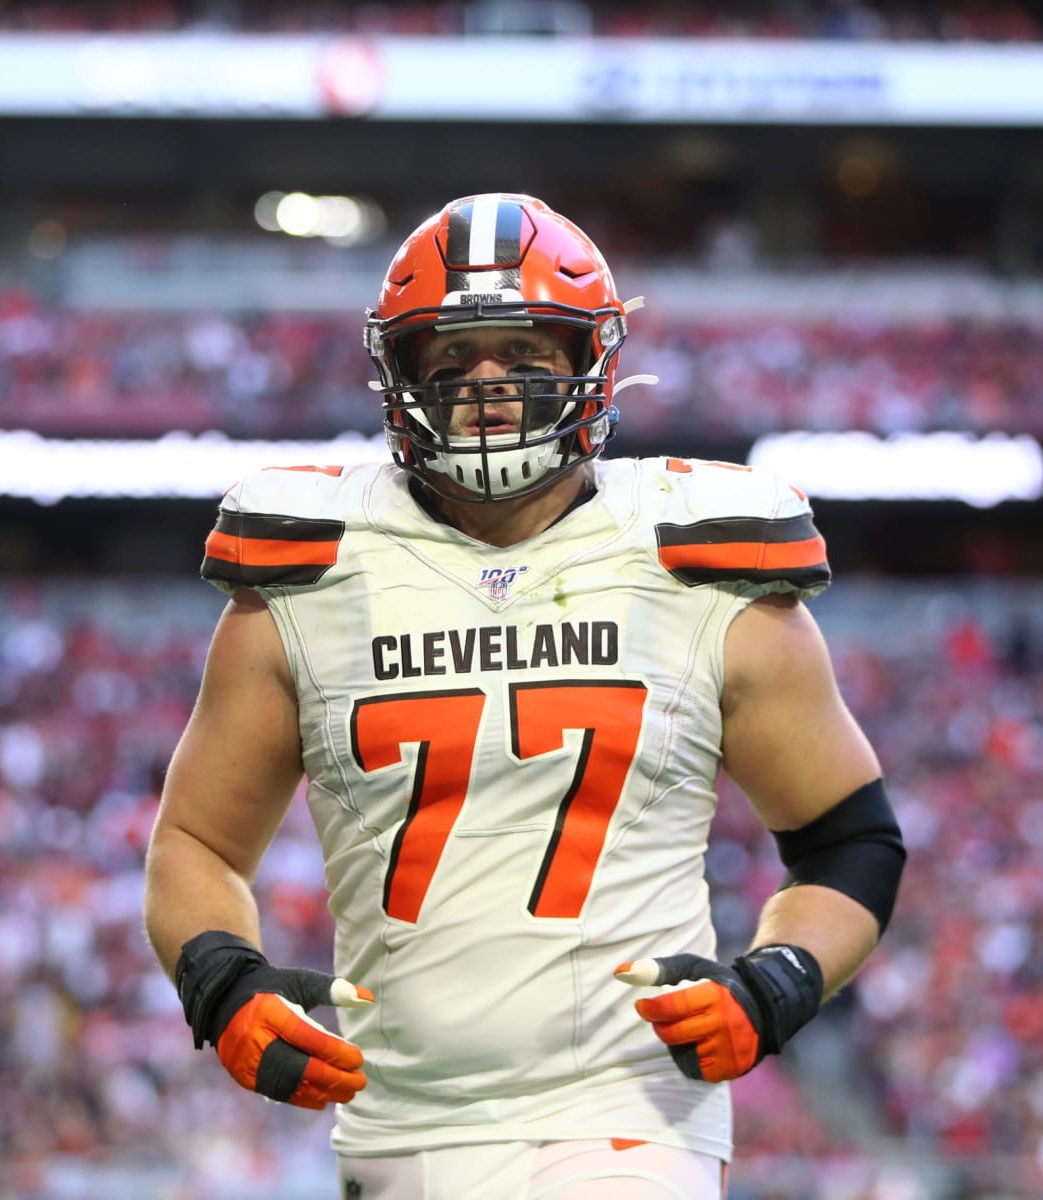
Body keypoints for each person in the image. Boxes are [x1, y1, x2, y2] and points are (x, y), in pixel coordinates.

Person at [143, 193, 906, 1199]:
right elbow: (194, 844)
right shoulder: (313, 567)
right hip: (396, 1119)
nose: (488, 389)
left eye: (526, 357)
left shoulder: (697, 558)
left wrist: (778, 983)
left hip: (627, 1118)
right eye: (450, 362)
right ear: (398, 377)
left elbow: (849, 840)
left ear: (592, 361)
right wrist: (222, 982)